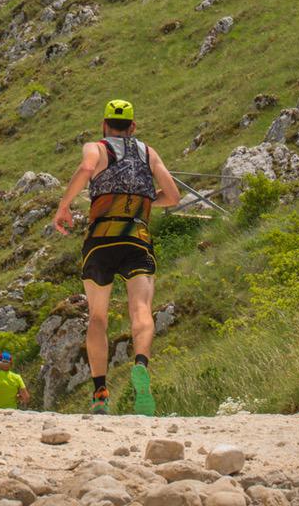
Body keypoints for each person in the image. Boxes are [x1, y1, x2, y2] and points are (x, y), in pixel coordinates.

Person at [53, 99, 181, 415]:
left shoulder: (95, 148)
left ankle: (100, 392)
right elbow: (174, 196)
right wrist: (148, 201)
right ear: (133, 127)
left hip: (101, 240)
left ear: (104, 124)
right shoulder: (148, 152)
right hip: (137, 238)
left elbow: (85, 169)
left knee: (98, 316)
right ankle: (140, 364)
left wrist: (64, 206)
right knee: (141, 308)